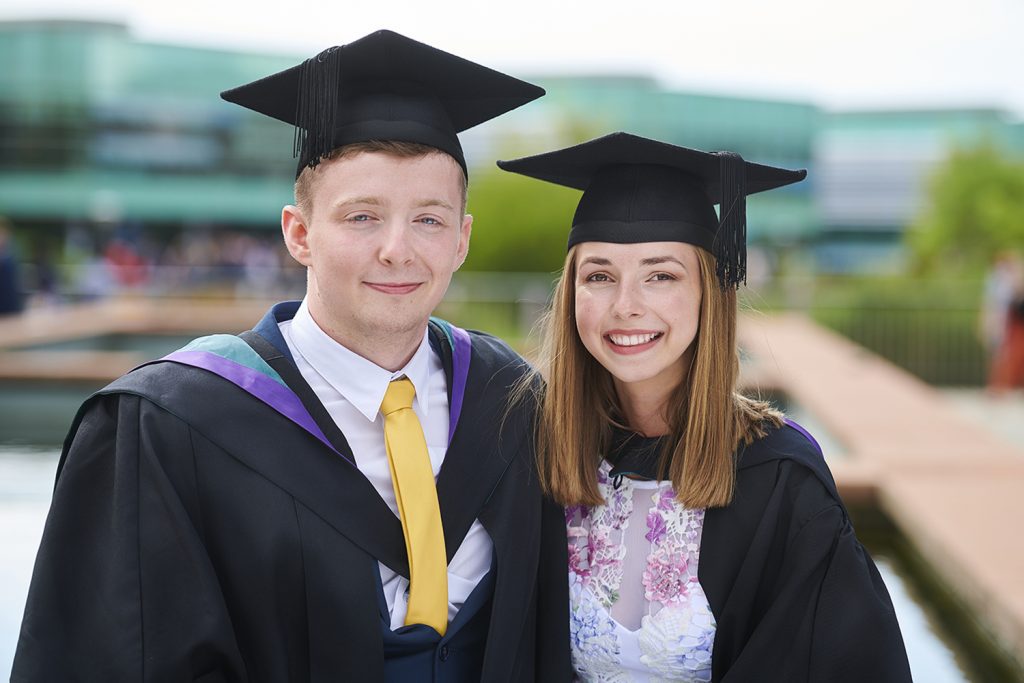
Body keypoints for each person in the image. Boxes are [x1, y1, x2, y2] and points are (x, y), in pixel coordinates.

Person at [13, 30, 570, 682]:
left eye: (429, 218)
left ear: (461, 239)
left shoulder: (511, 403)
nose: (398, 249)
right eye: (362, 217)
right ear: (299, 233)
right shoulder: (174, 423)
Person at [499, 132, 912, 682]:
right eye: (599, 276)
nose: (625, 306)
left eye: (660, 275)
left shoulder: (780, 480)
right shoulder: (538, 454)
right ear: (571, 291)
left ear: (708, 292)